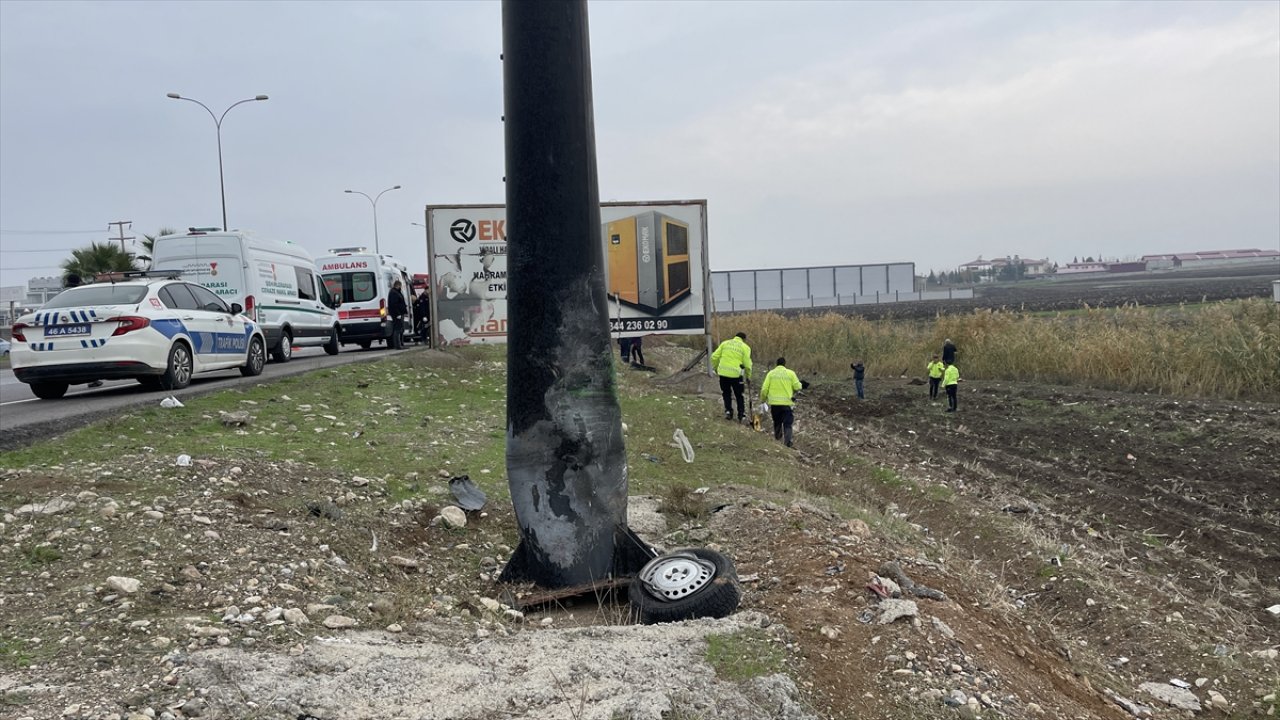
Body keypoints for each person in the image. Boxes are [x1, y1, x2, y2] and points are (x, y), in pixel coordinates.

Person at [760, 357, 803, 447]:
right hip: (787, 403)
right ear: (784, 364)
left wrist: (763, 400)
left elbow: (764, 389)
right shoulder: (791, 373)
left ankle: (777, 439)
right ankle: (787, 442)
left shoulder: (771, 374)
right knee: (787, 423)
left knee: (777, 421)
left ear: (776, 364)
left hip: (775, 404)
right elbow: (798, 387)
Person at [711, 332, 752, 421]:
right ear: (744, 339)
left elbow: (714, 357)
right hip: (736, 375)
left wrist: (716, 368)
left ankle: (728, 411)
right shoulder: (745, 347)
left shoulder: (725, 343)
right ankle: (741, 415)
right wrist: (748, 376)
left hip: (723, 373)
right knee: (739, 395)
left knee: (726, 393)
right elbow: (748, 365)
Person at [387, 280, 408, 350]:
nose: (400, 287)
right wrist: (397, 314)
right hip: (397, 314)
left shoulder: (397, 292)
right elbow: (394, 304)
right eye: (400, 286)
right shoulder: (394, 293)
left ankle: (401, 344)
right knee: (397, 329)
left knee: (401, 329)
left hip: (400, 313)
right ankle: (397, 345)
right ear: (398, 285)